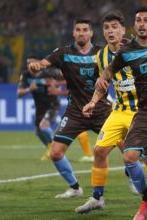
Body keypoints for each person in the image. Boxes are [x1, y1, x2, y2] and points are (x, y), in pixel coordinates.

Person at [82, 8, 147, 220]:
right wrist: (97, 93)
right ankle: (141, 199)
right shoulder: (118, 53)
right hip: (134, 111)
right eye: (138, 20)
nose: (141, 24)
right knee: (119, 155)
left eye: (146, 20)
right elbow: (109, 71)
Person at [28, 18, 111, 199]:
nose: (81, 33)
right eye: (78, 30)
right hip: (76, 111)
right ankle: (74, 188)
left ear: (91, 33)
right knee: (55, 153)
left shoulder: (101, 52)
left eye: (85, 30)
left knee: (128, 150)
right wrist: (35, 66)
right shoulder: (63, 53)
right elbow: (42, 64)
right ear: (74, 33)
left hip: (102, 109)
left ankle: (136, 182)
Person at [17, 56, 61, 161]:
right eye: (28, 63)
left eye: (32, 63)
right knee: (38, 131)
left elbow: (67, 76)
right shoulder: (25, 75)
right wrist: (29, 89)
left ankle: (54, 149)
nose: (30, 65)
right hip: (39, 106)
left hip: (52, 105)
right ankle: (50, 149)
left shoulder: (49, 72)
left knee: (44, 126)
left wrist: (57, 85)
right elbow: (19, 93)